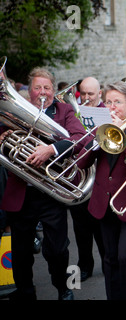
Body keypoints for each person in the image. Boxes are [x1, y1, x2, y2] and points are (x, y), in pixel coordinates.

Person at [0, 67, 87, 300]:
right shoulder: (15, 111)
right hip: (22, 191)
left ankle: (64, 287)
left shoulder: (65, 110)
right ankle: (25, 291)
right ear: (29, 91)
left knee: (58, 248)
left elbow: (81, 138)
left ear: (53, 90)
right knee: (21, 251)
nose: (42, 92)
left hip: (51, 191)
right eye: (37, 87)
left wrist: (51, 149)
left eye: (47, 88)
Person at [76, 81, 126, 300]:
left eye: (118, 102)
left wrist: (125, 136)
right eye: (109, 102)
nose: (112, 107)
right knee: (110, 258)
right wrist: (94, 141)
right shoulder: (99, 127)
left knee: (125, 256)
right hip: (104, 202)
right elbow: (80, 164)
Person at [68, 76, 106, 282]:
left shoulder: (108, 114)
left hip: (100, 178)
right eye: (83, 93)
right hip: (80, 178)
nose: (86, 97)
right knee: (80, 226)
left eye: (91, 93)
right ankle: (85, 265)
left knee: (101, 226)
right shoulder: (74, 112)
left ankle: (107, 262)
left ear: (100, 94)